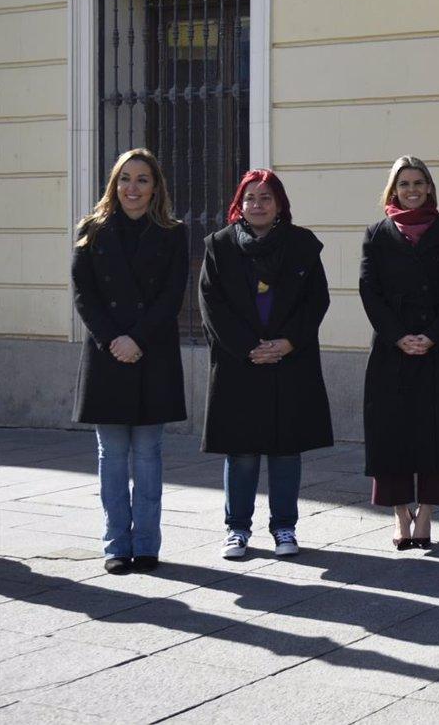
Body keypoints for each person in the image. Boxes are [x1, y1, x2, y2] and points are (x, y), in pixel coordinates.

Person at [199, 169, 333, 561]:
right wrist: (248, 347)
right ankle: (237, 529)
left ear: (279, 206)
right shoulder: (218, 246)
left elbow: (317, 300)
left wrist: (287, 342)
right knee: (240, 452)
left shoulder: (302, 244)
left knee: (286, 451)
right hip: (239, 364)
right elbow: (210, 304)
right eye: (250, 198)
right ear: (239, 205)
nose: (257, 205)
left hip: (290, 362)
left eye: (266, 198)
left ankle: (285, 528)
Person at [70, 149, 188, 574]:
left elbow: (172, 295)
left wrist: (136, 338)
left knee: (148, 457)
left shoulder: (173, 233)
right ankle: (116, 545)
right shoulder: (92, 230)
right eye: (125, 179)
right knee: (112, 457)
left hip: (151, 353)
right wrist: (113, 339)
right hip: (107, 355)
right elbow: (84, 294)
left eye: (142, 179)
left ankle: (147, 544)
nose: (132, 188)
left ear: (155, 186)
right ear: (113, 184)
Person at [359, 157, 439, 550]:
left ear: (429, 188)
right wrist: (398, 336)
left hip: (437, 350)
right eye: (404, 183)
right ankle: (399, 514)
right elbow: (369, 292)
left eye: (418, 183)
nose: (411, 190)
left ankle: (425, 513)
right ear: (393, 190)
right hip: (392, 352)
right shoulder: (376, 234)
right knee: (392, 433)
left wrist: (433, 335)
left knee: (436, 433)